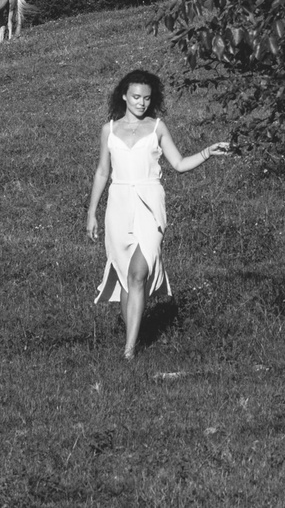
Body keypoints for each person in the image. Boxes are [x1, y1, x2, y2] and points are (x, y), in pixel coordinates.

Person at [86, 68, 230, 359]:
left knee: (139, 273)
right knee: (127, 276)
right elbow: (103, 172)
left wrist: (207, 152)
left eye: (146, 98)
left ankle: (129, 350)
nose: (141, 103)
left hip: (150, 204)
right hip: (118, 204)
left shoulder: (157, 127)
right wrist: (91, 214)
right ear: (124, 96)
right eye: (136, 97)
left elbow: (178, 163)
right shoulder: (109, 130)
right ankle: (132, 337)